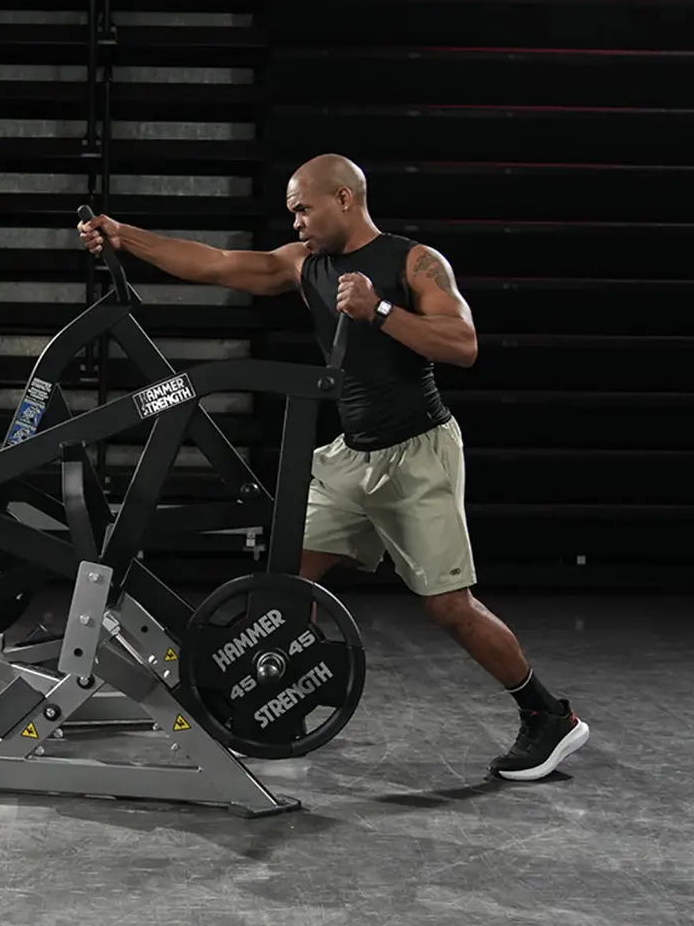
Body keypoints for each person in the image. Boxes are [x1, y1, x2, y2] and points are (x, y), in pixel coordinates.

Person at [78, 153, 589, 781]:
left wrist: (380, 312)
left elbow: (463, 344)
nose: (295, 221)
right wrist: (124, 238)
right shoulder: (304, 264)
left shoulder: (414, 262)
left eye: (303, 208)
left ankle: (548, 716)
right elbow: (215, 263)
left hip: (417, 454)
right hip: (351, 457)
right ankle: (274, 703)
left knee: (448, 606)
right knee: (287, 581)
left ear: (344, 199)